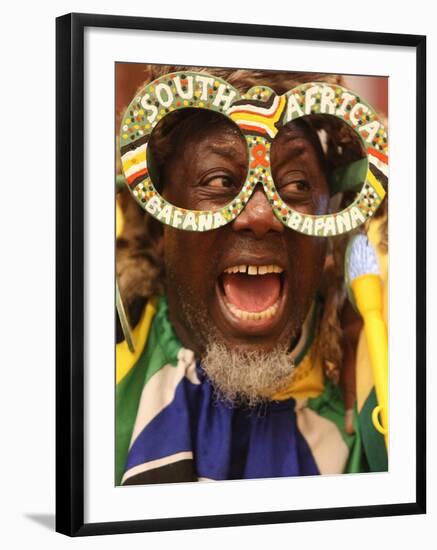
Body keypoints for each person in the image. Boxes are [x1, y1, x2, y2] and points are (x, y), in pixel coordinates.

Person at [115, 65, 388, 485]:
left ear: (331, 230)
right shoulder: (93, 357)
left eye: (296, 186)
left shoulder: (385, 359)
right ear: (158, 225)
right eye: (220, 180)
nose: (262, 216)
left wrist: (384, 329)